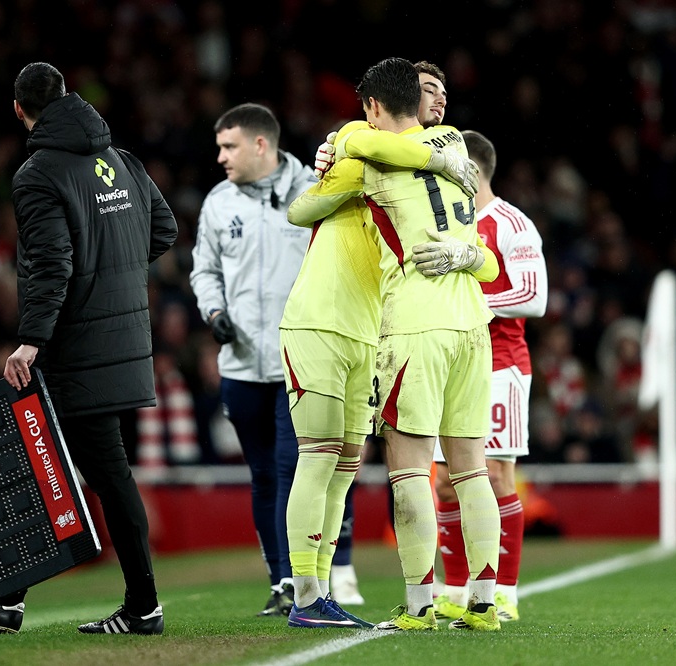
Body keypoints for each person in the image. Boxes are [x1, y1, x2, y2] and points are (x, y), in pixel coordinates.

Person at [0, 62, 177, 635]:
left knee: (99, 472)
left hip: (76, 349)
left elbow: (52, 263)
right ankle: (11, 600)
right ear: (69, 98)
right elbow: (164, 230)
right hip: (125, 343)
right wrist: (114, 272)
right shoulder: (122, 162)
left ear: (19, 110)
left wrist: (30, 341)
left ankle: (141, 608)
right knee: (51, 458)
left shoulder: (37, 174)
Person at [300, 57, 502, 632]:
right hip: (472, 322)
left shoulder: (368, 158)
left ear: (373, 106)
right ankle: (483, 602)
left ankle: (419, 606)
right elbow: (484, 256)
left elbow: (306, 207)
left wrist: (332, 149)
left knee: (410, 470)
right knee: (471, 469)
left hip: (415, 321)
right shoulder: (453, 144)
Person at [189, 102, 313, 617]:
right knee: (263, 475)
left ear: (261, 144)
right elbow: (203, 270)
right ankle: (282, 581)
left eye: (229, 146)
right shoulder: (219, 203)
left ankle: (306, 580)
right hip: (240, 365)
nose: (220, 157)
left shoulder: (314, 194)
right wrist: (213, 309)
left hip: (298, 362)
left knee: (291, 469)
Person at [428, 130, 547, 624]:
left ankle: (504, 592)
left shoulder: (512, 223)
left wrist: (472, 305)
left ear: (470, 171)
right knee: (444, 485)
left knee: (496, 475)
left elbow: (534, 297)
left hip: (501, 365)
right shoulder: (441, 221)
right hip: (449, 366)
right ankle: (454, 589)